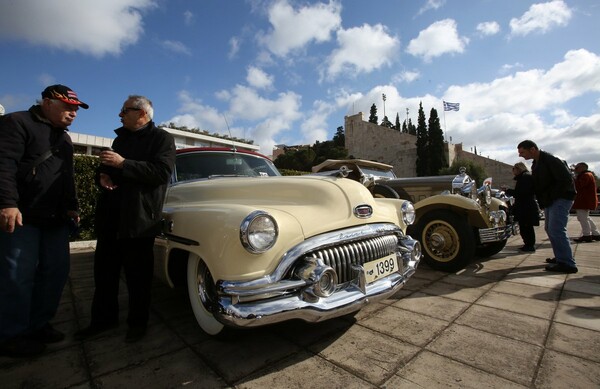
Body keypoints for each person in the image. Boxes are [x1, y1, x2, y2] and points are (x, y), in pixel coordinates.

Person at [75, 95, 175, 343]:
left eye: (124, 110)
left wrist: (123, 163)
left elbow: (161, 173)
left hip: (139, 220)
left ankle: (137, 324)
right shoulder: (121, 139)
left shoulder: (162, 139)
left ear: (142, 113)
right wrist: (103, 175)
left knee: (138, 278)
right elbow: (109, 168)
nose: (120, 115)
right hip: (111, 217)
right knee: (104, 274)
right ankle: (103, 320)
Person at [0, 85, 86, 357]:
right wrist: (7, 203)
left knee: (55, 273)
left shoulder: (65, 139)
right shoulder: (16, 122)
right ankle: (11, 335)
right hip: (23, 216)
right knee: (17, 276)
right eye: (67, 107)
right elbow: (4, 165)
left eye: (75, 109)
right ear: (47, 102)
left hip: (56, 219)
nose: (72, 113)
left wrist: (72, 207)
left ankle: (38, 324)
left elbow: (66, 177)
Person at [517, 140, 577, 273]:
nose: (521, 155)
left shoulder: (551, 160)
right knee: (550, 229)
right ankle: (561, 257)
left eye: (522, 152)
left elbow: (565, 180)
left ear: (532, 149)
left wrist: (551, 197)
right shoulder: (536, 164)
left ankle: (567, 263)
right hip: (551, 200)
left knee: (556, 230)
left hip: (560, 199)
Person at [504, 162, 539, 252]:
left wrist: (508, 190)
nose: (513, 171)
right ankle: (528, 244)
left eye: (514, 169)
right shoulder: (524, 177)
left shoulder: (525, 178)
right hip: (525, 205)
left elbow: (521, 193)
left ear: (518, 169)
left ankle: (529, 245)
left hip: (526, 206)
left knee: (526, 227)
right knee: (525, 227)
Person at [572, 162, 600, 242]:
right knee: (586, 217)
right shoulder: (588, 175)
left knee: (583, 218)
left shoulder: (585, 175)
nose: (575, 169)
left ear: (582, 168)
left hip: (584, 200)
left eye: (577, 168)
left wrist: (573, 177)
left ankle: (587, 235)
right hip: (586, 200)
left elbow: (578, 185)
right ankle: (596, 233)